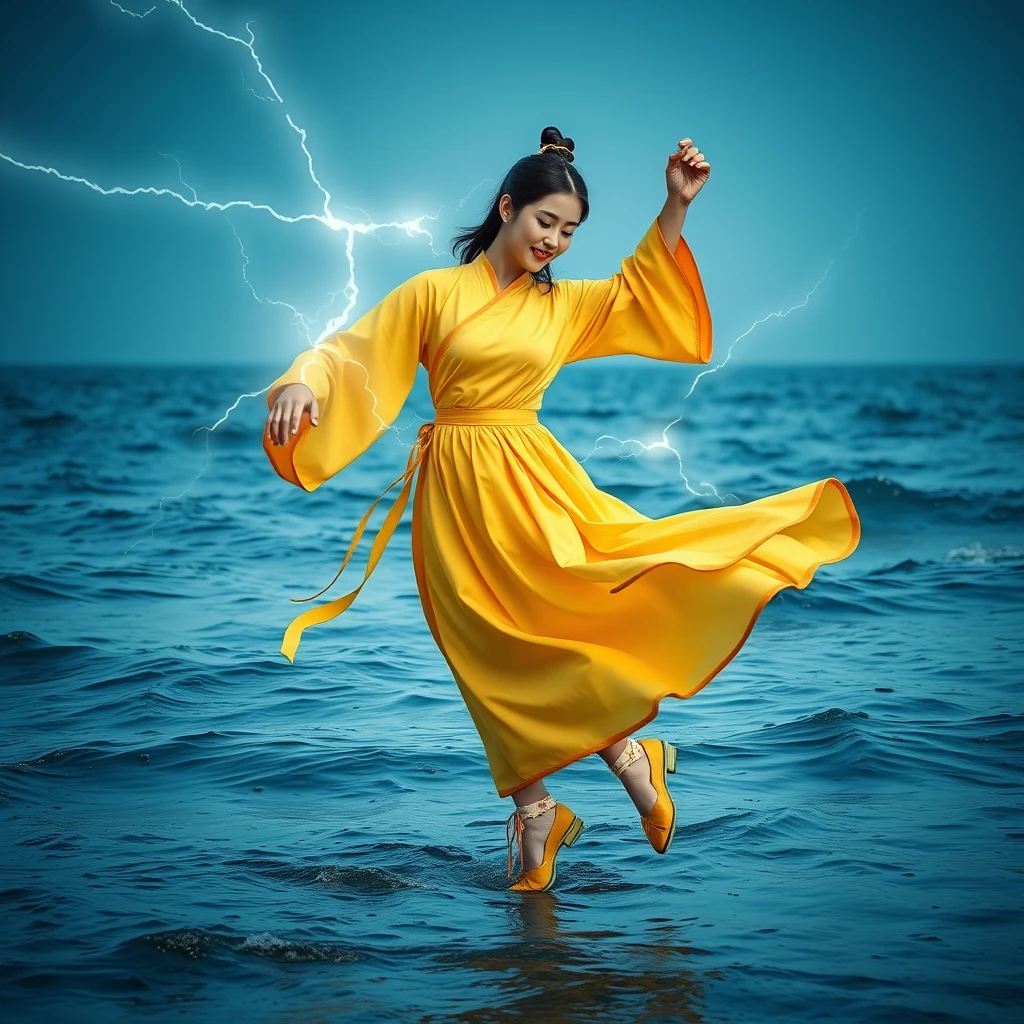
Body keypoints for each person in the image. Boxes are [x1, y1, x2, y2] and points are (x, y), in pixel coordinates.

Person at [263, 126, 861, 892]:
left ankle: (624, 757)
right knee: (483, 654)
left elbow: (642, 292)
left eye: (571, 232)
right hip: (452, 494)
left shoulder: (568, 307)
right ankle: (540, 808)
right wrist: (302, 384)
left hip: (531, 482)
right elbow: (353, 351)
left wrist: (674, 206)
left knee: (567, 617)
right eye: (546, 222)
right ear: (507, 208)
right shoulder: (433, 294)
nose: (556, 241)